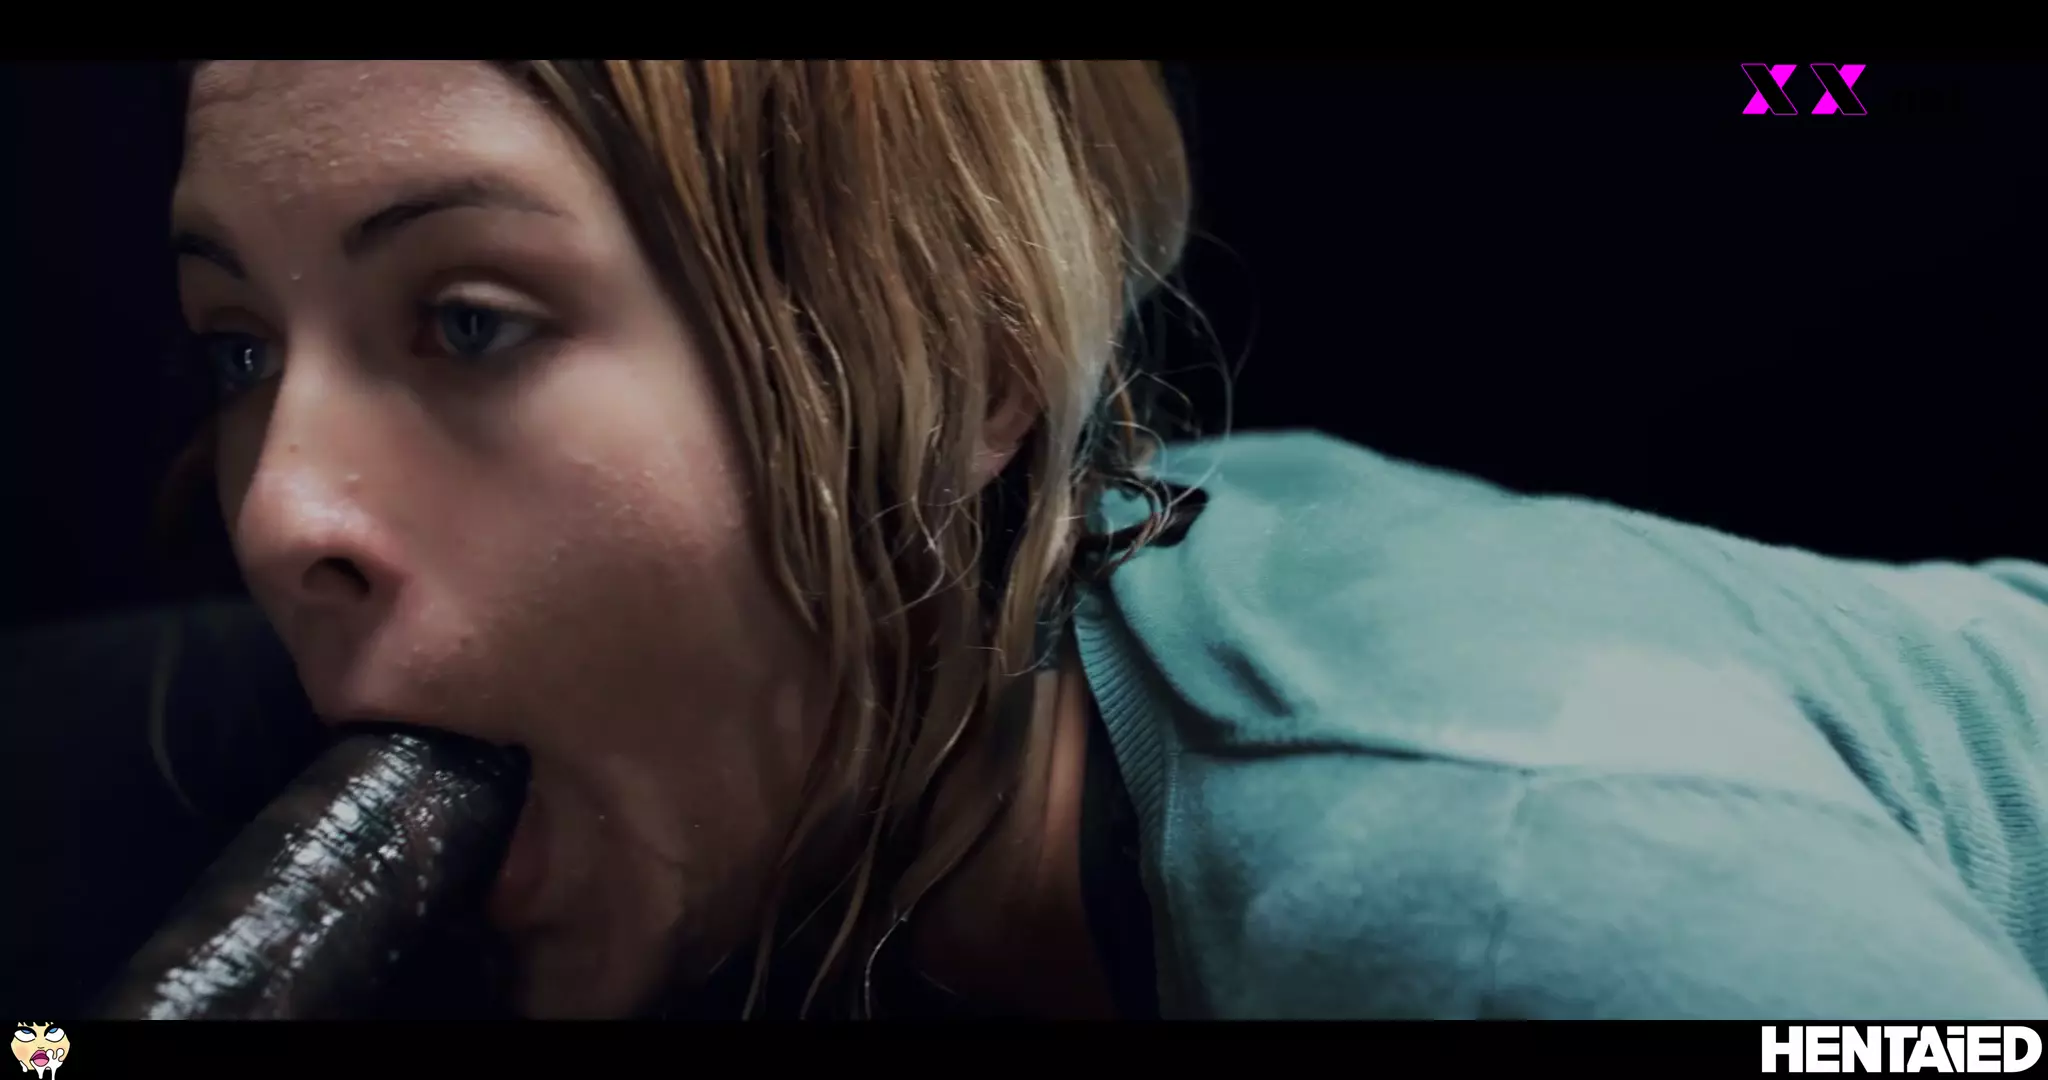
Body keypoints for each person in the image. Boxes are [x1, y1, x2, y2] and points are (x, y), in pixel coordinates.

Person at [162, 59, 2048, 1020]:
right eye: (239, 343)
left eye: (471, 321)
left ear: (970, 375)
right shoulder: (884, 741)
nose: (277, 512)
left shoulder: (1482, 870)